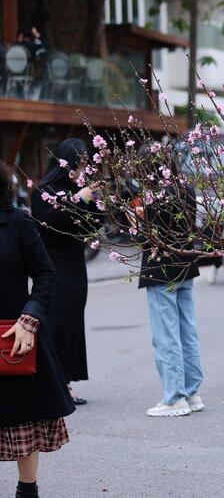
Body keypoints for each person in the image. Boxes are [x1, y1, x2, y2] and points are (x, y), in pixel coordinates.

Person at [0, 163, 75, 498]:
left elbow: (46, 275)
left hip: (14, 336)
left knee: (23, 420)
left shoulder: (17, 222)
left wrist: (29, 321)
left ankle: (26, 490)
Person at [31, 139, 100, 405]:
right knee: (54, 325)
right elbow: (52, 224)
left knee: (71, 325)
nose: (81, 171)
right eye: (79, 165)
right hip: (51, 267)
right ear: (66, 164)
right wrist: (77, 200)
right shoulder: (44, 191)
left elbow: (92, 225)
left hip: (75, 266)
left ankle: (65, 382)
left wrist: (94, 202)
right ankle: (52, 384)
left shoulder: (79, 189)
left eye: (84, 166)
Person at [135, 155, 204, 417]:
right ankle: (192, 391)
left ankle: (174, 397)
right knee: (188, 330)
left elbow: (147, 239)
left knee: (166, 334)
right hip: (185, 265)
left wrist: (137, 222)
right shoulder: (186, 188)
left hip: (160, 270)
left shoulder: (153, 195)